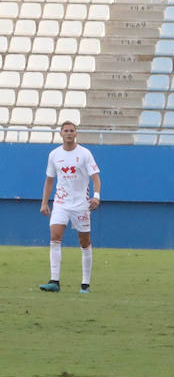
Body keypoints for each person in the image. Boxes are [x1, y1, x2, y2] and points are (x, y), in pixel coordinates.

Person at [38, 120, 102, 294]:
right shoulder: (54, 155)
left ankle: (85, 284)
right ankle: (54, 281)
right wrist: (44, 202)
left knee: (84, 241)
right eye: (65, 130)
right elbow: (50, 180)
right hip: (61, 203)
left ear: (76, 133)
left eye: (71, 130)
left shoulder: (85, 154)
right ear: (60, 133)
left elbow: (95, 177)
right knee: (55, 236)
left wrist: (96, 196)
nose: (68, 133)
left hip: (81, 204)